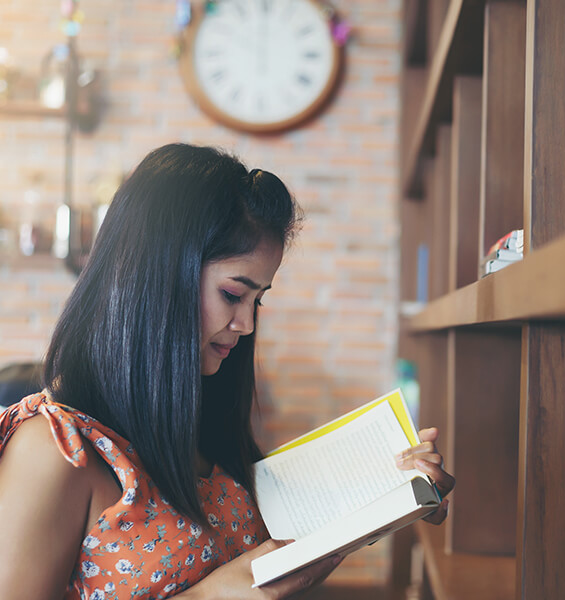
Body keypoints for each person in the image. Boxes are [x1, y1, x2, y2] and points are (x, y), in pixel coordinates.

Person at [0, 143, 455, 600]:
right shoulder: (54, 451)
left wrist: (392, 497)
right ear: (154, 277)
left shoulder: (197, 415)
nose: (247, 324)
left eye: (258, 300)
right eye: (233, 294)